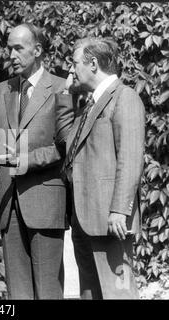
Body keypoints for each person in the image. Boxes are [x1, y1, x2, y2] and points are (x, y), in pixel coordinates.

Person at [0, 23, 72, 299]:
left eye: (18, 48)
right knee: (17, 292)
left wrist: (25, 160)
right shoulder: (0, 91)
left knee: (48, 289)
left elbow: (66, 146)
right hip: (8, 202)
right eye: (9, 48)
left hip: (45, 200)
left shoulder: (62, 88)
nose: (11, 54)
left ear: (37, 50)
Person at [63, 37, 145, 299]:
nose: (72, 70)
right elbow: (66, 143)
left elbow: (130, 158)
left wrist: (120, 210)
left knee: (117, 294)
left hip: (111, 222)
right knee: (91, 294)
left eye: (75, 63)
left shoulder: (125, 97)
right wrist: (67, 96)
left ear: (93, 64)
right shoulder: (89, 103)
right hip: (84, 219)